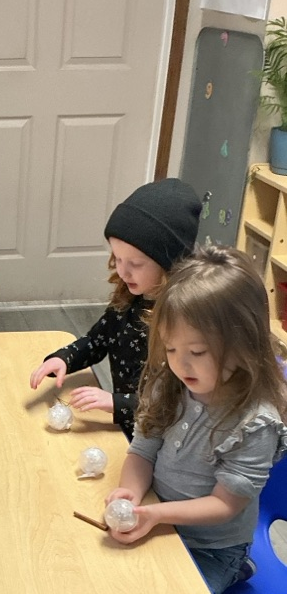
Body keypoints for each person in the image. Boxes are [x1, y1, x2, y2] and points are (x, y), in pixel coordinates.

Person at [105, 247, 287, 594]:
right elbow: (142, 451)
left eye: (197, 352)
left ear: (241, 347)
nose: (180, 363)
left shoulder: (255, 421)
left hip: (212, 541)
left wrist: (156, 518)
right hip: (163, 522)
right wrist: (130, 495)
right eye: (171, 348)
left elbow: (226, 504)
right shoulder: (169, 379)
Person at [29, 178, 202, 437]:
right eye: (117, 258)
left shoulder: (183, 323)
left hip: (161, 442)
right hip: (127, 430)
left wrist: (116, 402)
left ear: (170, 264)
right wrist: (63, 358)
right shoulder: (130, 298)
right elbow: (98, 341)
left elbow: (175, 403)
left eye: (136, 263)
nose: (123, 271)